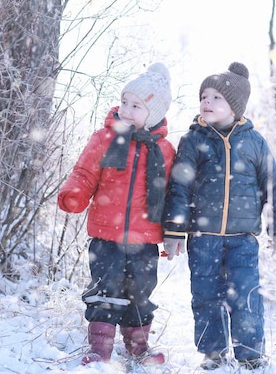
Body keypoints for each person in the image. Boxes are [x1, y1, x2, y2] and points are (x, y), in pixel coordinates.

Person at [162, 62, 276, 370]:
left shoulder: (254, 142)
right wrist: (175, 230)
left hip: (243, 240)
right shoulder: (193, 141)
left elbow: (272, 186)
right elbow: (179, 187)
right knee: (205, 296)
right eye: (203, 96)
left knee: (246, 296)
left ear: (235, 106)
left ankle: (250, 354)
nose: (206, 102)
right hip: (202, 238)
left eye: (216, 97)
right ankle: (214, 354)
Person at [57, 62, 176, 365]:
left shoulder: (164, 151)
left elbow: (173, 194)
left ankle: (138, 348)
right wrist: (74, 194)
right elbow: (85, 172)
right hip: (105, 235)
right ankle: (99, 348)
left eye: (136, 105)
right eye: (125, 101)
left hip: (145, 238)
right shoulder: (104, 138)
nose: (126, 109)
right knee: (104, 288)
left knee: (140, 292)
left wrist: (175, 232)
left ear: (155, 113)